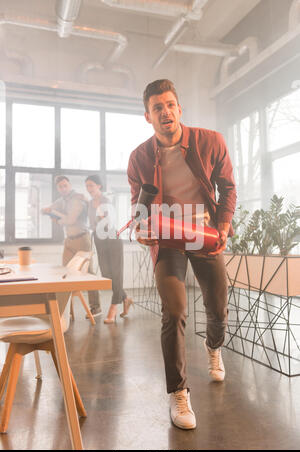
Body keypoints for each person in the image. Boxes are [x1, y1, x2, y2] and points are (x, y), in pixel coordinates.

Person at [127, 79, 236, 430]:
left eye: (170, 104)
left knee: (217, 306)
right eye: (157, 107)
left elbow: (228, 186)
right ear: (148, 116)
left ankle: (213, 347)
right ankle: (178, 393)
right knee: (173, 311)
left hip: (204, 236)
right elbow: (138, 207)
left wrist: (223, 223)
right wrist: (141, 228)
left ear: (179, 109)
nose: (165, 111)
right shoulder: (139, 158)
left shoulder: (210, 141)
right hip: (169, 239)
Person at [42, 175, 101, 317]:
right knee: (64, 274)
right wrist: (51, 211)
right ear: (58, 188)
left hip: (82, 239)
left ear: (69, 185)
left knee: (88, 273)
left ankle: (96, 307)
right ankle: (65, 309)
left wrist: (56, 217)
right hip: (68, 240)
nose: (63, 188)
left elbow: (70, 219)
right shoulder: (61, 200)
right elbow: (45, 210)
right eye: (60, 187)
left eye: (65, 185)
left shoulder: (78, 198)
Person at [85, 174, 133, 324]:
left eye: (91, 185)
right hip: (99, 240)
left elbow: (110, 223)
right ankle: (126, 299)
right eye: (87, 186)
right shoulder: (90, 203)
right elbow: (92, 224)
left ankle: (114, 307)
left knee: (116, 274)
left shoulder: (107, 201)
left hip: (112, 239)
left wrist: (101, 216)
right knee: (107, 275)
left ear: (99, 186)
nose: (89, 189)